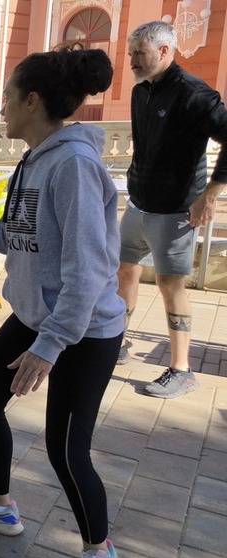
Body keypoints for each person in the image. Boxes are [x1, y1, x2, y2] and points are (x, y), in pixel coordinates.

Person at [0, 45, 122, 558]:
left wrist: (50, 346)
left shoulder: (74, 167)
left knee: (66, 451)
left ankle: (98, 550)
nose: (1, 108)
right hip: (35, 316)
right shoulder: (34, 161)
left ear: (32, 101)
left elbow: (87, 271)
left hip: (84, 330)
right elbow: (10, 237)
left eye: (7, 98)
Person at [117, 21, 227, 398]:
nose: (131, 61)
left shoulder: (194, 94)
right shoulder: (140, 91)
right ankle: (116, 341)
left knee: (169, 285)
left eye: (139, 54)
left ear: (165, 52)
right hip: (138, 204)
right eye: (130, 54)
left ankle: (182, 370)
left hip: (176, 212)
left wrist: (210, 194)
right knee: (124, 269)